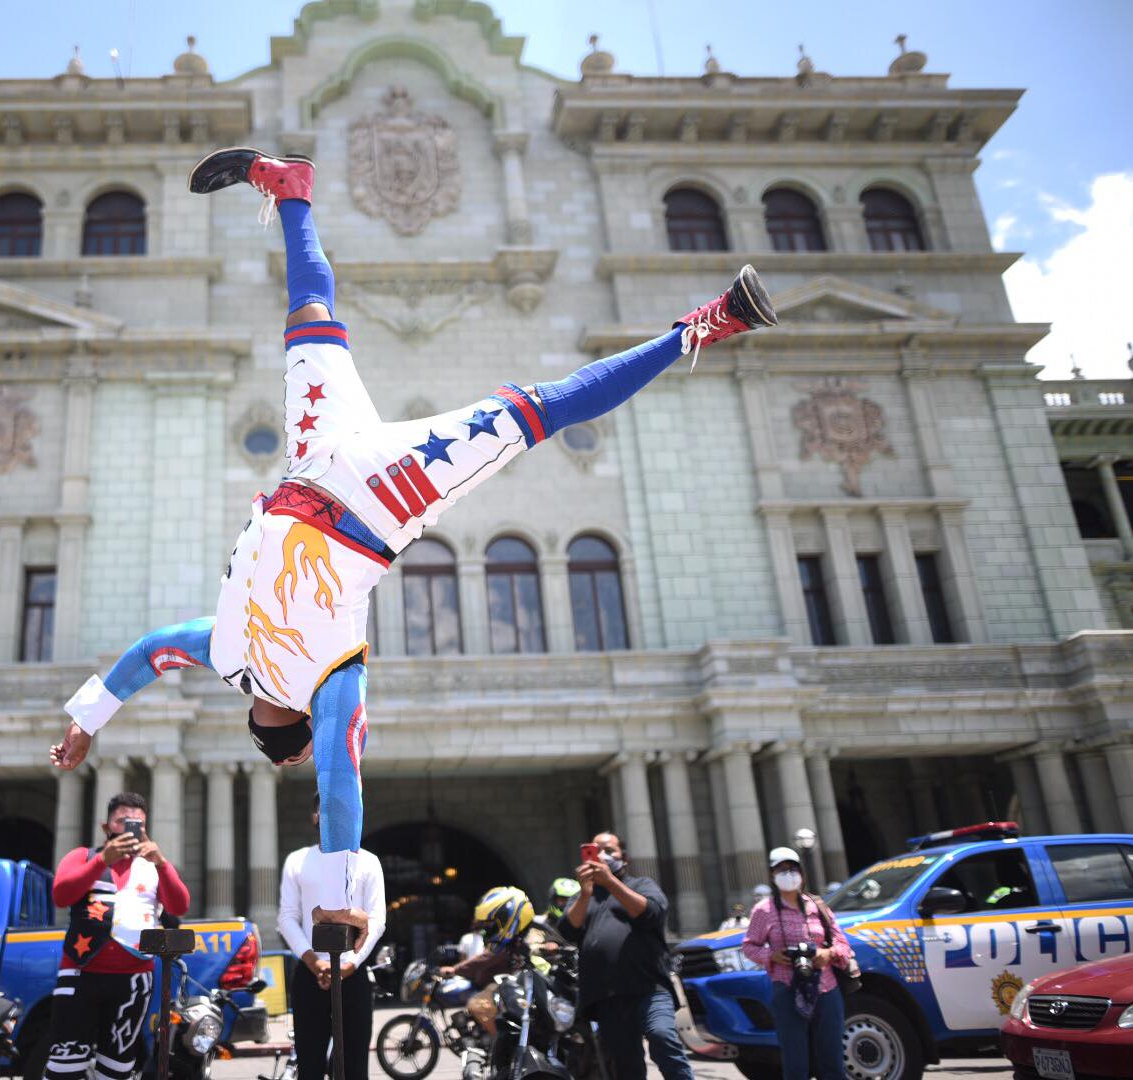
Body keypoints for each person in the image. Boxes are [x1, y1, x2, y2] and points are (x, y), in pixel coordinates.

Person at [48, 147, 780, 906]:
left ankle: (294, 190)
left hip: (323, 462)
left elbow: (154, 661)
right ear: (275, 732)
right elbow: (315, 765)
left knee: (313, 316)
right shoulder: (308, 675)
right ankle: (704, 326)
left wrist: (87, 722)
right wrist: (87, 722)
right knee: (539, 406)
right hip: (377, 492)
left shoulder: (239, 659)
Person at [46, 792, 190, 1080]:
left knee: (117, 1066)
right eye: (121, 821)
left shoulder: (152, 868)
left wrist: (161, 862)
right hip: (80, 974)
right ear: (106, 827)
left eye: (137, 823)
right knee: (65, 1064)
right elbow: (61, 895)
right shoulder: (83, 857)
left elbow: (179, 905)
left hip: (133, 981)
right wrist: (102, 861)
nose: (129, 828)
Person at [564, 832, 693, 1080]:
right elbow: (568, 928)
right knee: (625, 1064)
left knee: (662, 1035)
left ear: (625, 857)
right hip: (607, 996)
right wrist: (585, 893)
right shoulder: (584, 895)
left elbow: (652, 913)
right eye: (596, 850)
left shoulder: (641, 885)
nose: (603, 855)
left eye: (610, 850)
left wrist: (610, 882)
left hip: (649, 988)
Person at [278, 793, 385, 1080]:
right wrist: (314, 962)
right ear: (315, 817)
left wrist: (351, 963)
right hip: (310, 973)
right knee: (309, 1065)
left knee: (354, 1067)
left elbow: (377, 920)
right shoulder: (297, 860)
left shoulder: (369, 861)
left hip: (354, 973)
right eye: (326, 811)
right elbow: (287, 917)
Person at [741, 847, 854, 1080]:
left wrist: (829, 953)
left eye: (793, 868)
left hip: (826, 987)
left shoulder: (817, 905)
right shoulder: (764, 910)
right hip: (787, 987)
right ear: (772, 874)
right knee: (795, 1063)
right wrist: (770, 956)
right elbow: (749, 946)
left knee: (832, 1061)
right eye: (781, 869)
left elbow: (844, 945)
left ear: (802, 872)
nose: (788, 874)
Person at [438, 886, 534, 1038]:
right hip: (506, 985)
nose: (487, 931)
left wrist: (455, 970)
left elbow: (485, 958)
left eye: (493, 925)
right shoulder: (509, 940)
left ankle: (502, 1041)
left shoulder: (527, 937)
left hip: (515, 987)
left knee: (477, 1004)